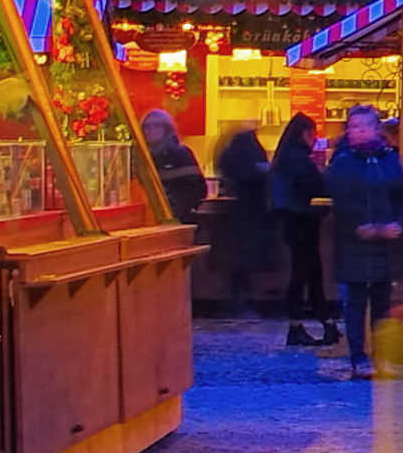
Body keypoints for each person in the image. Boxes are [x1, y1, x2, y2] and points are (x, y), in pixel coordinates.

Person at [323, 104, 403, 376]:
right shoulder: (342, 163)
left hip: (385, 245)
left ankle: (381, 355)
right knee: (354, 303)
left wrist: (399, 224)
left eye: (363, 127)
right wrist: (368, 228)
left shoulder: (389, 160)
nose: (357, 132)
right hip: (353, 243)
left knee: (382, 303)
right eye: (353, 127)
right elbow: (342, 202)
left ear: (376, 129)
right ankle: (358, 356)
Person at [271, 111, 334, 343]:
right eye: (313, 134)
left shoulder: (287, 156)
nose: (314, 139)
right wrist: (324, 173)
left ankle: (320, 323)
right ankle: (304, 326)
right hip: (303, 220)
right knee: (306, 273)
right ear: (305, 134)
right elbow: (314, 186)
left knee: (306, 273)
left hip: (295, 220)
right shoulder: (298, 158)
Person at [213, 121, 274, 316]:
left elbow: (226, 167)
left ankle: (239, 300)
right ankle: (244, 300)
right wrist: (263, 170)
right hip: (253, 211)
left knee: (241, 260)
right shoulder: (247, 147)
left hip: (242, 211)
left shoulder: (233, 147)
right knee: (247, 258)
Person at [139, 109, 207, 236]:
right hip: (147, 221)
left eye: (157, 125)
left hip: (177, 222)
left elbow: (198, 189)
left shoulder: (181, 153)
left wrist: (176, 212)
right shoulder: (140, 157)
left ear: (167, 128)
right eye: (146, 126)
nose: (151, 130)